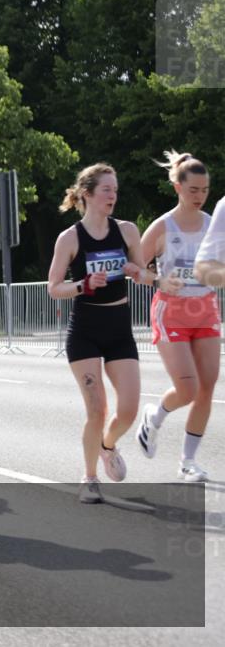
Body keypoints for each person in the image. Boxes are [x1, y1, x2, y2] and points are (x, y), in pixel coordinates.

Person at [47, 163, 146, 504]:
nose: (113, 196)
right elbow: (53, 288)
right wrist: (82, 285)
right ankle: (89, 478)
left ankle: (107, 446)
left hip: (119, 326)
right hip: (85, 329)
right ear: (87, 194)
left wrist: (139, 272)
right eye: (106, 190)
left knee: (130, 409)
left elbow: (145, 273)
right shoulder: (70, 238)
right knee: (96, 409)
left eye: (115, 190)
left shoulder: (128, 231)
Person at [134, 152, 219, 482]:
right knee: (187, 389)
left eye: (205, 190)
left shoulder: (213, 225)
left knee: (207, 389)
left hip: (206, 310)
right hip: (171, 313)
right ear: (177, 188)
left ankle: (187, 462)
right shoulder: (163, 227)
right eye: (193, 189)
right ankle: (154, 417)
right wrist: (158, 279)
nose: (200, 196)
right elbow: (134, 268)